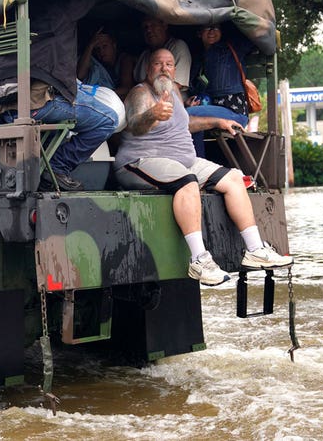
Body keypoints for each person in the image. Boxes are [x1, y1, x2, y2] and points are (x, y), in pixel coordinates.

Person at [113, 49, 292, 286]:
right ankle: (199, 260)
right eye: (158, 64)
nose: (164, 68)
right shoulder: (140, 92)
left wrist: (217, 121)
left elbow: (186, 123)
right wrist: (152, 115)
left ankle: (255, 250)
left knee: (233, 180)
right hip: (140, 161)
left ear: (175, 70)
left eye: (169, 64)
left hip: (182, 161)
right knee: (188, 182)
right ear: (148, 68)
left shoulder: (174, 91)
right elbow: (134, 123)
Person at [0, 0, 118, 191]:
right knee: (108, 120)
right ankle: (56, 166)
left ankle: (47, 166)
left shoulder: (9, 12)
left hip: (4, 109)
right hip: (38, 101)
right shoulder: (60, 6)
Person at [186, 24, 255, 156]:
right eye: (207, 28)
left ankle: (198, 164)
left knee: (189, 115)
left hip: (235, 113)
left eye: (216, 27)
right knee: (189, 113)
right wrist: (192, 100)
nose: (212, 31)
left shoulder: (231, 48)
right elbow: (195, 88)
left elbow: (253, 35)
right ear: (199, 33)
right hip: (213, 110)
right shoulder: (198, 58)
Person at [132, 16, 192, 95]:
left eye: (153, 25)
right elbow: (136, 83)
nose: (149, 30)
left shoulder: (178, 46)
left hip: (171, 101)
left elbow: (176, 86)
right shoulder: (145, 54)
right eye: (145, 27)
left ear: (164, 25)